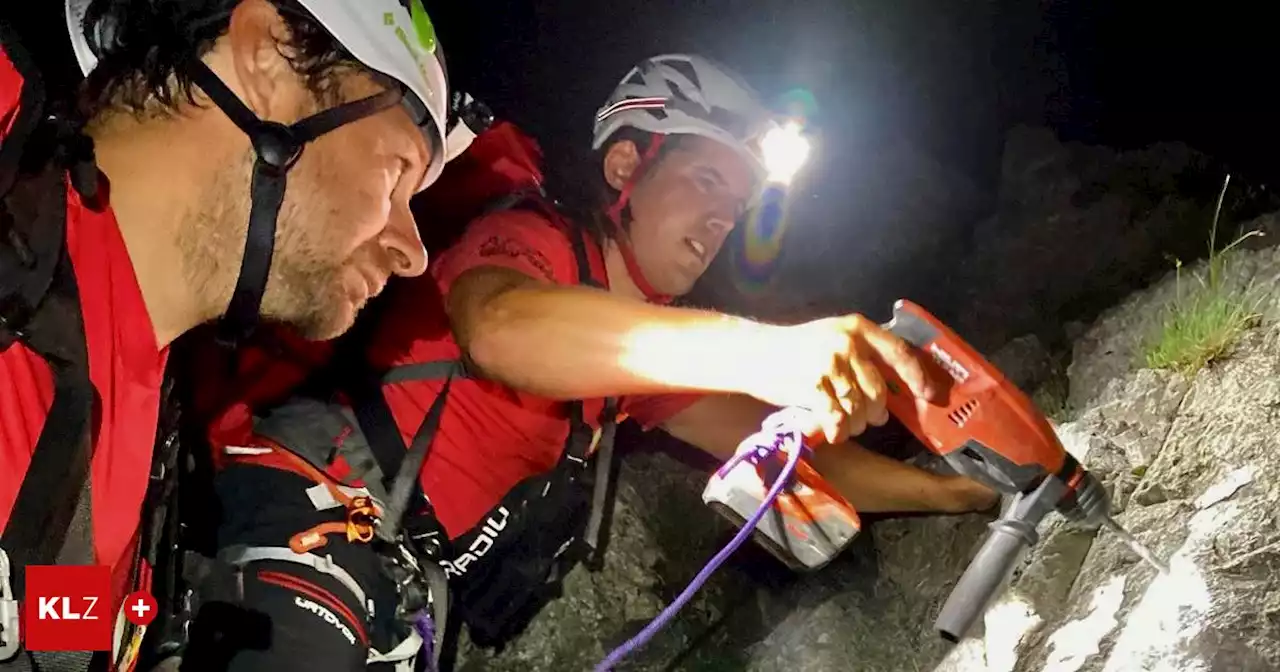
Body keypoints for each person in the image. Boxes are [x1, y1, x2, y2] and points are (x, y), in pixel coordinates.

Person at [197, 53, 999, 670]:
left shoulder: (637, 353)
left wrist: (962, 494)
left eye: (742, 203)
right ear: (626, 169)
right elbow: (503, 327)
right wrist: (766, 350)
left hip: (401, 583)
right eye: (708, 178)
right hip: (306, 505)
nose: (724, 216)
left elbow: (793, 456)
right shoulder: (529, 239)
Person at [0, 0, 471, 667]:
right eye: (397, 170)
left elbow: (48, 633)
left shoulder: (149, 418)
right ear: (266, 58)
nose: (412, 251)